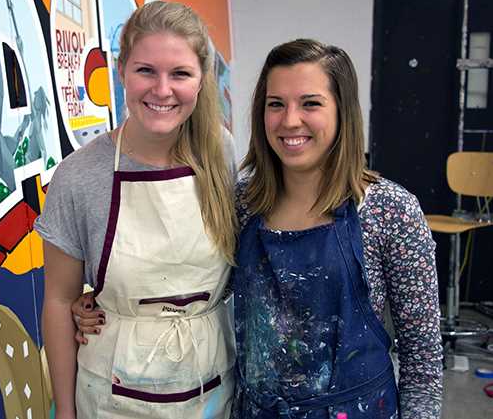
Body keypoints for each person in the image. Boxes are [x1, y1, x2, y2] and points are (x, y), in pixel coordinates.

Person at [75, 39, 443, 419]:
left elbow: (423, 361)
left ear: (342, 112)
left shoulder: (390, 211)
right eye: (276, 104)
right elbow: (198, 285)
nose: (290, 121)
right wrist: (99, 306)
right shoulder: (243, 205)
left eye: (311, 103)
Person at [36, 0, 239, 419]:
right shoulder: (79, 176)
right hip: (112, 396)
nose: (162, 90)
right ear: (121, 71)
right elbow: (59, 301)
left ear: (202, 80)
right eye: (146, 70)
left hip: (213, 389)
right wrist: (66, 413)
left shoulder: (220, 151)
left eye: (180, 73)